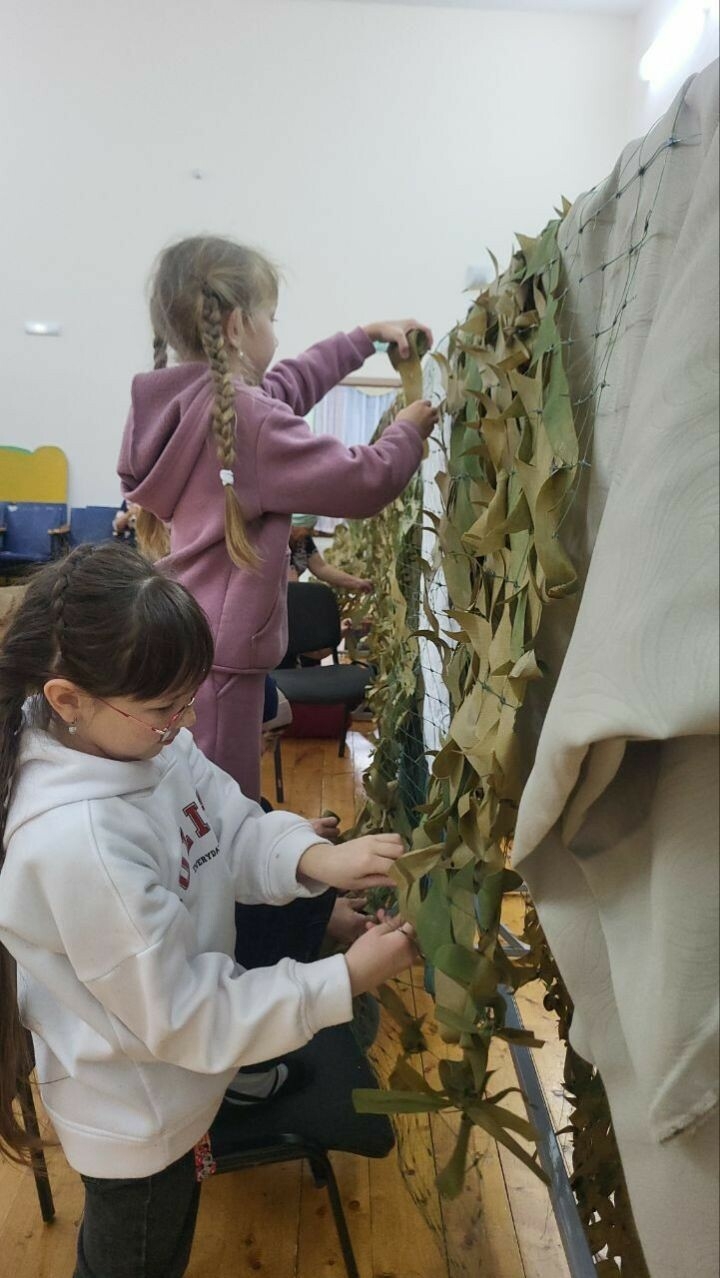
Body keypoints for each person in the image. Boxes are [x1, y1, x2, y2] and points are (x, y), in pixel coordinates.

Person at [0, 544, 418, 1278]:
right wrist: (342, 980)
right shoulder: (81, 845)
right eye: (168, 708)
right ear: (67, 699)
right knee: (134, 1259)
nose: (186, 721)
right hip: (141, 1121)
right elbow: (188, 1016)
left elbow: (225, 823)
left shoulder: (138, 741)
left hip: (182, 1087)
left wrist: (314, 860)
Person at [118, 234, 438, 804]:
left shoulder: (184, 408)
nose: (276, 328)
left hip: (188, 642)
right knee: (218, 819)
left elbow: (283, 389)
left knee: (197, 805)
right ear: (239, 325)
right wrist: (408, 430)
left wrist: (359, 340)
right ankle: (235, 893)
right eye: (272, 315)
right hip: (223, 666)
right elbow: (362, 481)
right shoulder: (247, 420)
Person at [288, 515, 372, 592]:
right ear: (291, 527)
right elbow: (291, 583)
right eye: (307, 529)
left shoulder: (303, 541)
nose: (312, 532)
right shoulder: (280, 544)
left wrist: (357, 583)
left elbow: (321, 568)